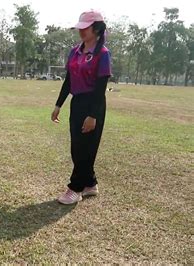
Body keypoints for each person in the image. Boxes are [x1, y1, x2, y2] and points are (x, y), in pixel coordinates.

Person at [51, 10, 112, 204]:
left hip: (94, 103)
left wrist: (93, 115)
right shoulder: (75, 52)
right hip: (77, 103)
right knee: (77, 147)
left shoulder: (102, 53)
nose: (81, 31)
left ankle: (75, 188)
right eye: (80, 27)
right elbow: (69, 80)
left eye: (85, 27)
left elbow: (101, 86)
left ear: (96, 29)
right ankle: (90, 183)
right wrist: (58, 104)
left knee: (85, 148)